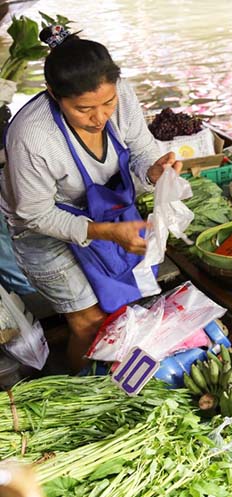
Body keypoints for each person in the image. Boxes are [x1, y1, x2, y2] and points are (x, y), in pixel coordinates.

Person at [0, 25, 182, 371]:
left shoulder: (121, 95)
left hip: (104, 214)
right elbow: (35, 213)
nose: (100, 117)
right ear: (54, 94)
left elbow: (142, 150)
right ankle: (83, 391)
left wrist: (153, 172)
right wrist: (106, 232)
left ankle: (113, 377)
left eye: (108, 102)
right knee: (90, 321)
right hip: (41, 229)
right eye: (84, 109)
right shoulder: (33, 136)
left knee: (122, 307)